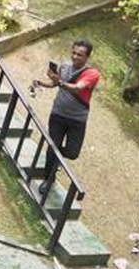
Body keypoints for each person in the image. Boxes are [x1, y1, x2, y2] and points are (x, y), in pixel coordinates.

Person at [30, 40, 100, 197]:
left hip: (77, 119)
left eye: (79, 55)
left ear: (87, 57)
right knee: (53, 147)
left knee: (72, 153)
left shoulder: (92, 73)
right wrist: (42, 82)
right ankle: (49, 180)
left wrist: (59, 81)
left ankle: (55, 157)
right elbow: (55, 85)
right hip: (58, 114)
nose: (75, 56)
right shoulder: (65, 66)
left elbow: (78, 87)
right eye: (73, 53)